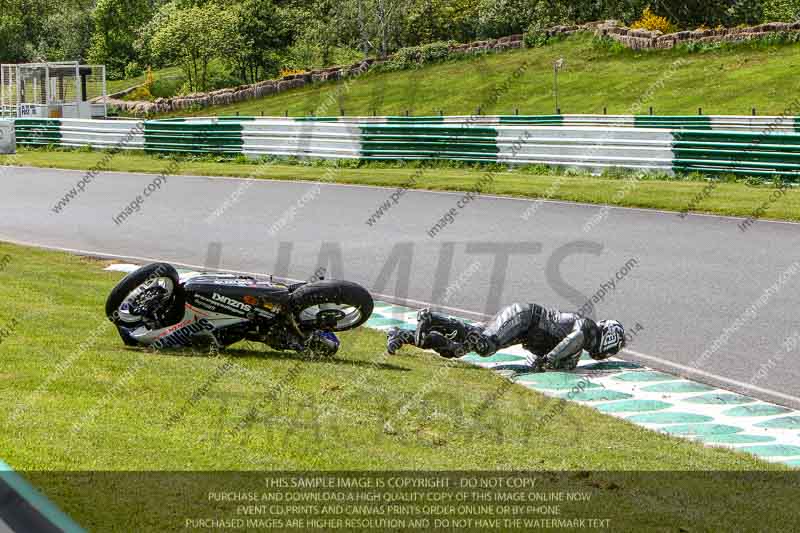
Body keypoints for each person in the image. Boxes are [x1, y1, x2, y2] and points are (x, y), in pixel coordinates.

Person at [386, 303, 625, 371]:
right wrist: (550, 359)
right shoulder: (587, 327)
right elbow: (574, 339)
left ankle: (404, 335)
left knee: (456, 351)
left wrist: (548, 362)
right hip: (524, 319)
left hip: (522, 331)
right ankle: (433, 318)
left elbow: (557, 356)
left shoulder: (578, 347)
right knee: (485, 347)